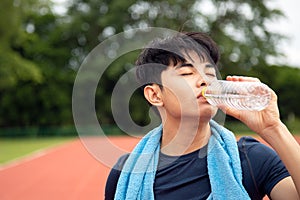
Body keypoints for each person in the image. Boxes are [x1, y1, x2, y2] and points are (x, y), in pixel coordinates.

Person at [105, 32, 300, 199]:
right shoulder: (126, 173)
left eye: (210, 73)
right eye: (187, 73)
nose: (204, 81)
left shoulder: (250, 158)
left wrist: (274, 129)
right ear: (155, 95)